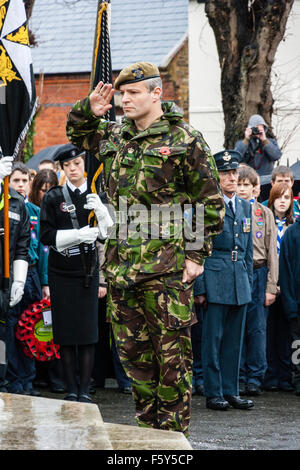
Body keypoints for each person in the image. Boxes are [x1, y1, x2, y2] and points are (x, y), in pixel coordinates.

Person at [66, 61, 225, 434]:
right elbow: (78, 132)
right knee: (135, 363)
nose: (125, 100)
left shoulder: (184, 138)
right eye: (122, 94)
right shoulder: (117, 136)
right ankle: (144, 437)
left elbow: (209, 203)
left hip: (166, 271)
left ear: (157, 93)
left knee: (172, 364)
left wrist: (195, 255)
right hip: (123, 270)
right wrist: (88, 108)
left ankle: (171, 443)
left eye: (133, 93)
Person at [40, 143, 112, 403]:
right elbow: (46, 236)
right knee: (66, 333)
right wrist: (75, 236)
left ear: (84, 166)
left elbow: (107, 236)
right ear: (62, 168)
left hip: (87, 271)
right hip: (61, 269)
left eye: (77, 164)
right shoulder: (53, 197)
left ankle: (85, 388)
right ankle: (71, 388)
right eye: (67, 165)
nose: (73, 169)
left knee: (87, 333)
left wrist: (103, 214)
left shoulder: (96, 196)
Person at [196, 150, 254, 411]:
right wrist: (199, 286)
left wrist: (248, 282)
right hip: (215, 275)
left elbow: (248, 250)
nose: (231, 178)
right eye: (225, 173)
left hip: (238, 277)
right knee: (213, 340)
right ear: (216, 176)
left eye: (234, 173)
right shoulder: (206, 205)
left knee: (234, 341)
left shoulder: (244, 206)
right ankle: (213, 391)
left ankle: (231, 390)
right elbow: (194, 247)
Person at [5, 163, 49, 395]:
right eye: (16, 181)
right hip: (11, 274)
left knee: (30, 327)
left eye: (24, 181)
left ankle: (28, 379)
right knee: (12, 327)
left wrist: (45, 282)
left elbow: (43, 249)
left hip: (31, 273)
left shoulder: (35, 212)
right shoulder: (7, 208)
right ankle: (13, 379)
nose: (21, 186)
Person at [236, 165, 278, 396]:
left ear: (255, 189)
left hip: (259, 273)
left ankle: (255, 376)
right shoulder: (231, 210)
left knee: (257, 328)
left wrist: (271, 286)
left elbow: (272, 251)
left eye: (247, 186)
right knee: (237, 326)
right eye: (239, 184)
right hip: (238, 271)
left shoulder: (264, 213)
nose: (242, 189)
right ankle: (238, 375)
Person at [0, 156, 30, 392]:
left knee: (3, 336)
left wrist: (19, 279)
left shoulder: (17, 203)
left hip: (5, 281)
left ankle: (1, 379)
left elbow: (22, 244)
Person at [263, 182, 294, 392]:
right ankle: (270, 374)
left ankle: (286, 374)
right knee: (267, 331)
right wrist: (272, 284)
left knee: (286, 334)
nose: (282, 201)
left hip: (289, 287)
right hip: (267, 285)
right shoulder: (265, 222)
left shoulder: (294, 226)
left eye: (287, 197)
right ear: (272, 199)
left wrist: (284, 284)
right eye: (279, 197)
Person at [279, 210, 300, 396]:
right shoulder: (291, 234)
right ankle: (299, 380)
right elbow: (285, 271)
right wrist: (290, 304)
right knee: (297, 343)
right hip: (297, 301)